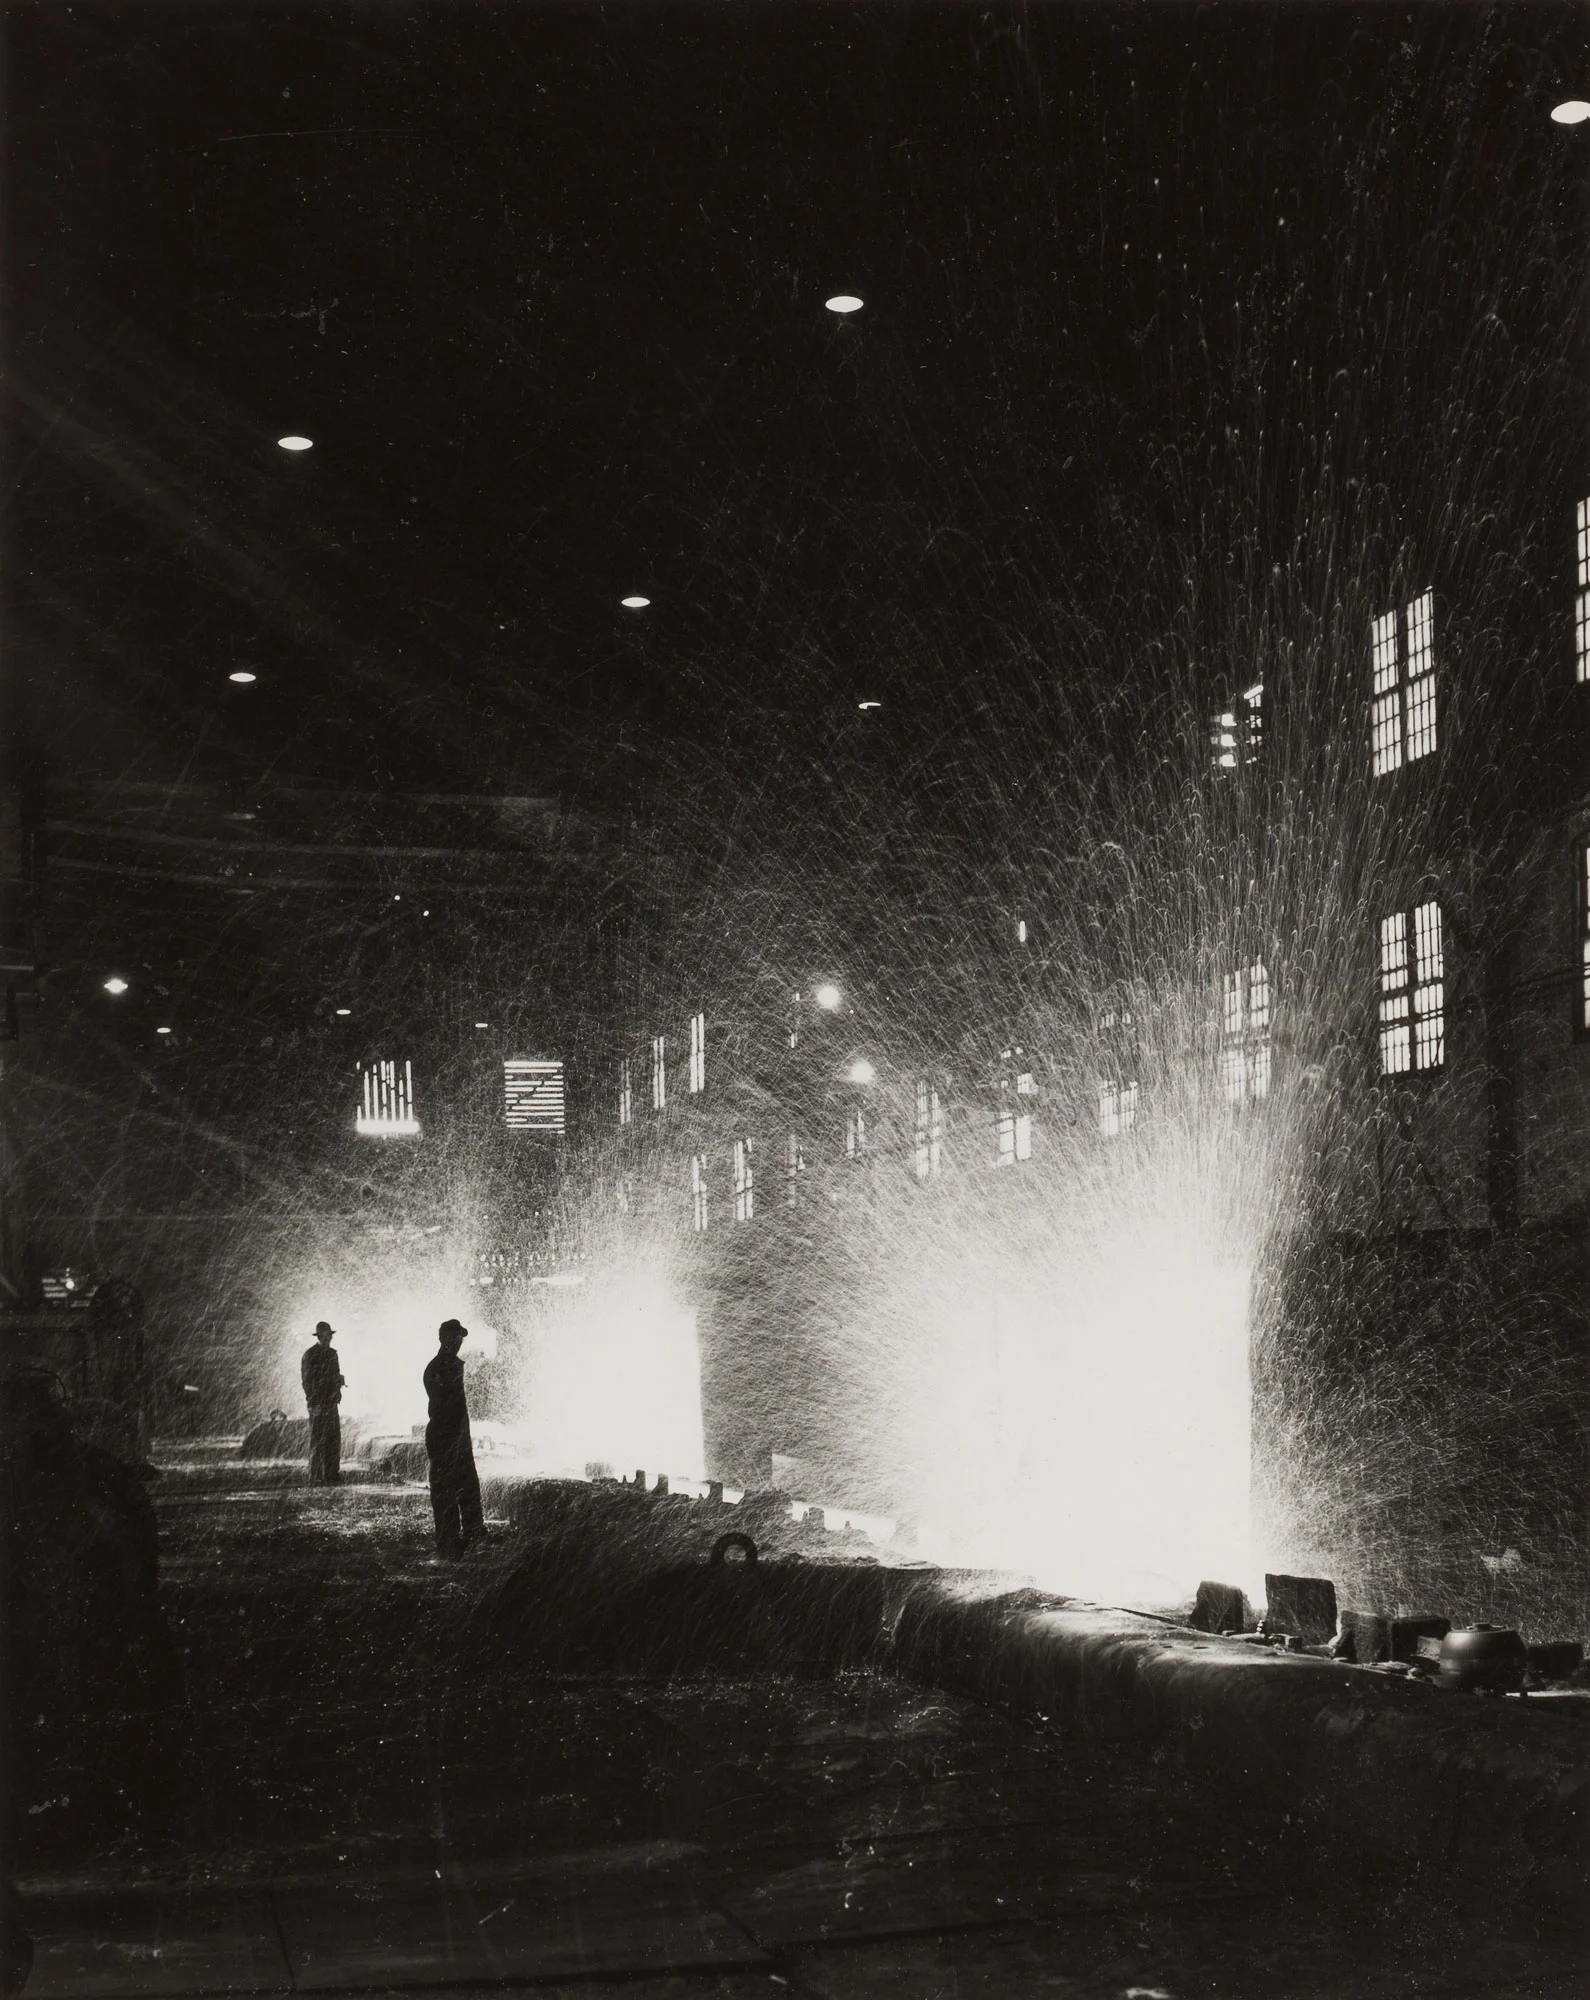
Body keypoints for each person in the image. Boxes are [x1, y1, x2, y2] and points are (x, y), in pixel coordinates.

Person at [423, 1319, 482, 1557]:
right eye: (453, 1338)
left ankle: (469, 1536)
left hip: (455, 1436)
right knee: (449, 1489)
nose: (457, 1342)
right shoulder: (440, 1368)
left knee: (464, 1486)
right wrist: (456, 1440)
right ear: (442, 1339)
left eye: (459, 1338)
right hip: (446, 1437)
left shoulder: (445, 1366)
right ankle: (451, 1542)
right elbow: (446, 1408)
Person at [300, 1322, 345, 1484]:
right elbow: (307, 1382)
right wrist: (314, 1403)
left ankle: (331, 1474)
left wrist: (338, 1383)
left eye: (329, 1336)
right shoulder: (310, 1355)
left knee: (333, 1439)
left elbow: (335, 1374)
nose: (328, 1339)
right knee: (318, 1439)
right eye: (324, 1337)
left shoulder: (333, 1354)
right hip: (318, 1403)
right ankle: (316, 1475)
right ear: (319, 1337)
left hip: (331, 1402)